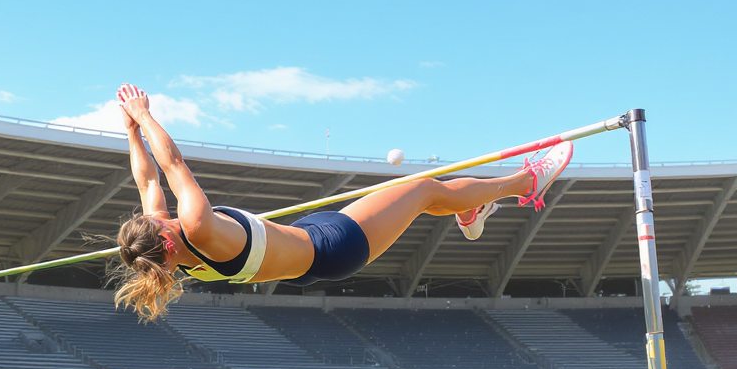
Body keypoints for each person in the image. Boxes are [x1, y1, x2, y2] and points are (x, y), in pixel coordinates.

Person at [108, 84, 575, 321]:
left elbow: (146, 176)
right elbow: (171, 165)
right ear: (167, 244)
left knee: (421, 198)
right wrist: (146, 115)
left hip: (311, 241)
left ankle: (468, 210)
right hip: (335, 246)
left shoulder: (172, 252)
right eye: (160, 225)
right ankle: (524, 183)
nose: (161, 216)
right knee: (426, 188)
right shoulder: (197, 226)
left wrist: (130, 131)